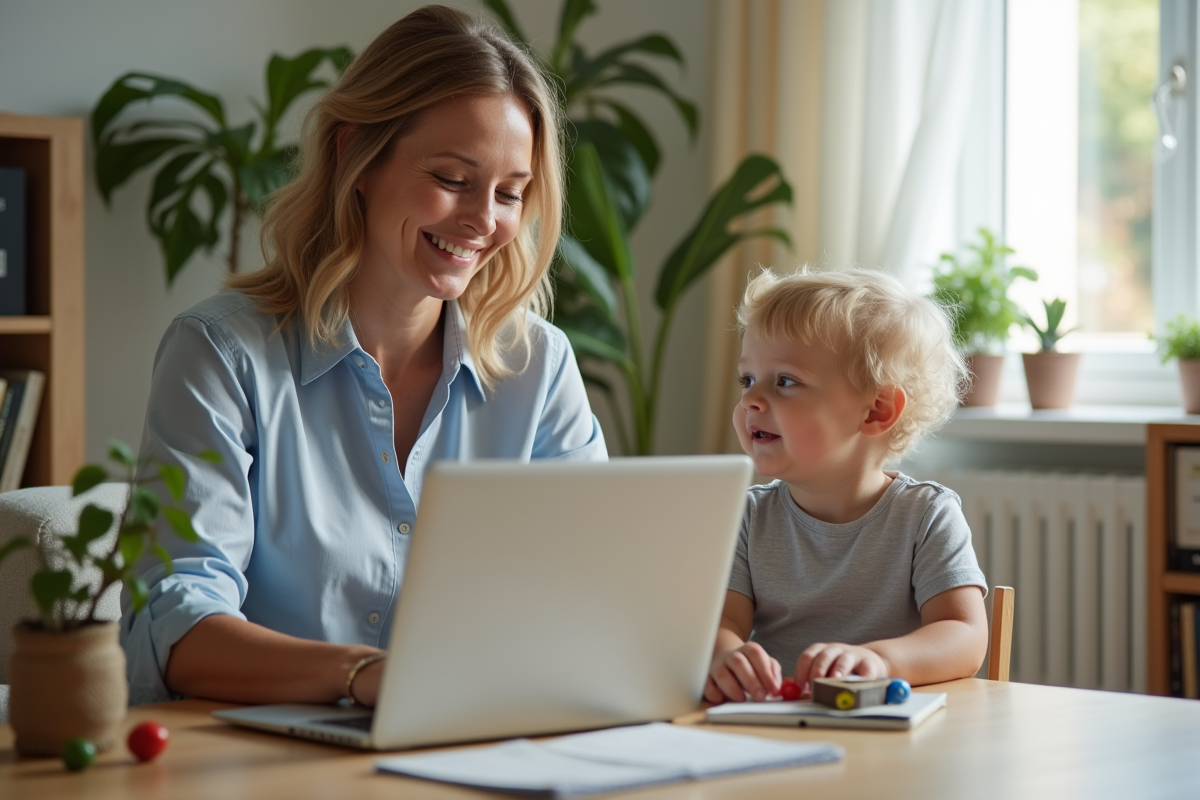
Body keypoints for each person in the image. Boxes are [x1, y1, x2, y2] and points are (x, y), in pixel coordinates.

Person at [120, 5, 606, 708]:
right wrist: (367, 677)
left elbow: (596, 588)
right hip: (257, 758)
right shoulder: (221, 354)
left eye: (509, 193)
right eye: (451, 178)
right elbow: (179, 627)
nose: (482, 221)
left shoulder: (539, 365)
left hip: (471, 745)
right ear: (357, 157)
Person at [705, 267, 988, 705]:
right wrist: (724, 656)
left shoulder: (926, 515)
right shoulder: (746, 518)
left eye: (785, 381)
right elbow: (720, 623)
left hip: (891, 738)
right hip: (774, 729)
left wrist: (878, 661)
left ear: (876, 410)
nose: (750, 400)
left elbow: (965, 636)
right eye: (747, 380)